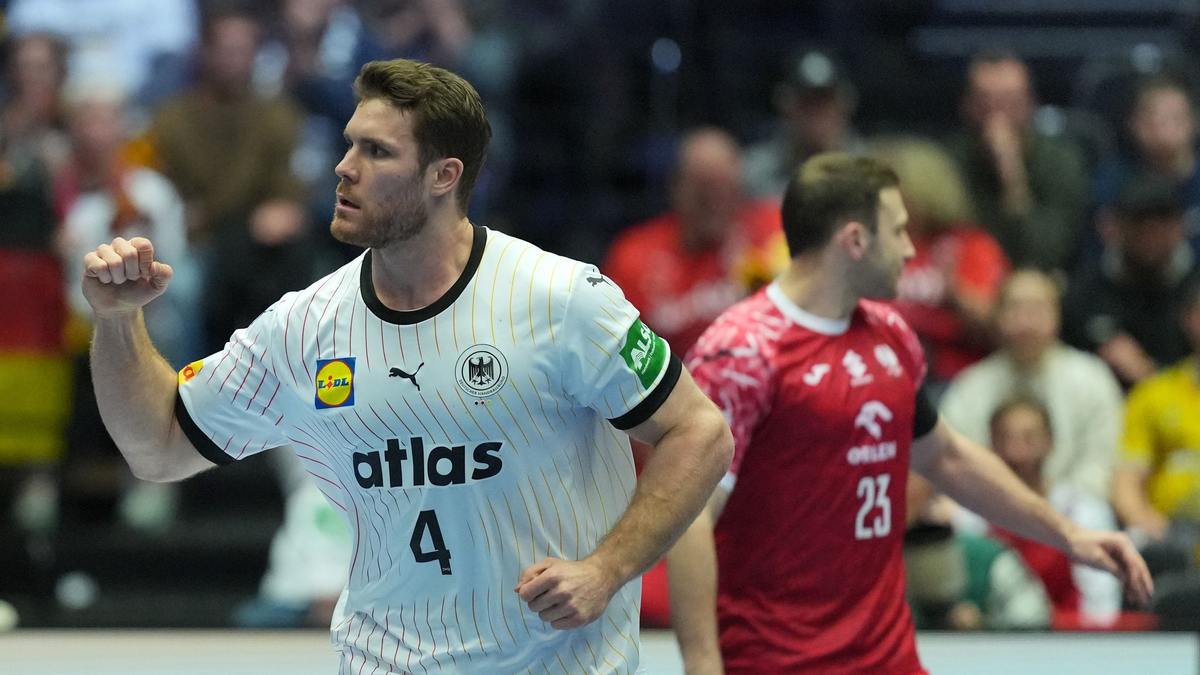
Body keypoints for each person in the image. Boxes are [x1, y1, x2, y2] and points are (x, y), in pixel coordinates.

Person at [81, 58, 732, 673]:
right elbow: (158, 446)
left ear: (443, 176)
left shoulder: (561, 299)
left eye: (377, 151)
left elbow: (701, 432)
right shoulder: (303, 327)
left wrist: (606, 569)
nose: (343, 167)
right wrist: (116, 321)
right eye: (349, 144)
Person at [666, 153, 1152, 675]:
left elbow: (947, 458)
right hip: (775, 660)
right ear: (854, 240)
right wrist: (702, 664)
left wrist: (1069, 535)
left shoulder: (892, 335)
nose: (910, 248)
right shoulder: (740, 351)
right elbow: (690, 518)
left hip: (887, 657)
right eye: (897, 232)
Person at [939, 270, 1123, 499]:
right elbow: (954, 461)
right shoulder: (970, 386)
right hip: (988, 505)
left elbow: (1101, 463)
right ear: (997, 317)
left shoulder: (1092, 378)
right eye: (1015, 309)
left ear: (1057, 315)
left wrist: (1055, 504)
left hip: (1071, 507)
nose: (1026, 322)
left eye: (1037, 309)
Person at [604, 128, 784, 354]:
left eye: (724, 190)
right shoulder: (635, 255)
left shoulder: (775, 231)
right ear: (676, 187)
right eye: (703, 192)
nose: (714, 204)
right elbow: (617, 350)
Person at [867, 136, 1009, 388]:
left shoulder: (969, 245)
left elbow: (1000, 327)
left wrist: (955, 293)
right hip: (877, 370)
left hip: (955, 377)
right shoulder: (868, 247)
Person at [975, 399, 1124, 628]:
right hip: (994, 643)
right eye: (1005, 438)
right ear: (991, 445)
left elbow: (1101, 605)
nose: (1017, 452)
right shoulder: (971, 514)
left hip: (1072, 643)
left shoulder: (1082, 510)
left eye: (1029, 438)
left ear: (1051, 442)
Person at [948, 52, 1088, 271]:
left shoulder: (1060, 162)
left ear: (1031, 104)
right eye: (985, 102)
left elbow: (1043, 256)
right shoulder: (948, 161)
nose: (997, 114)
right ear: (967, 105)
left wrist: (1012, 176)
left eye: (1009, 101)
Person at [1061, 175, 1200, 387]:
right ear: (1114, 226)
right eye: (1139, 221)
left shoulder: (1195, 287)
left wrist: (1152, 375)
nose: (1150, 232)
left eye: (1161, 221)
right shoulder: (1084, 293)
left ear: (1179, 227)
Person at [1111, 283, 1200, 570]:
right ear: (1189, 319)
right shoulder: (1153, 395)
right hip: (1173, 538)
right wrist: (1149, 524)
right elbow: (1126, 483)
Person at [1092, 75, 1200, 260]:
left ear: (1194, 122)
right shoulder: (1111, 183)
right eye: (1152, 117)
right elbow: (1098, 257)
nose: (1162, 127)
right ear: (1133, 123)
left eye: (1174, 117)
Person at [742, 49, 862, 201]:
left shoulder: (869, 173)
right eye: (806, 102)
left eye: (825, 101)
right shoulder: (755, 176)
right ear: (785, 105)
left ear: (844, 104)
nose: (816, 114)